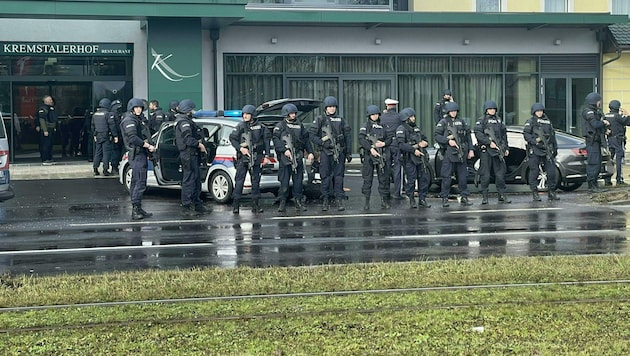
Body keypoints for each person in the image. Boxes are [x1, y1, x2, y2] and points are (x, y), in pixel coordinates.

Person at [309, 96, 352, 211]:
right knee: (325, 177)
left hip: (339, 152)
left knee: (339, 177)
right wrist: (323, 144)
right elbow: (312, 136)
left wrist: (348, 152)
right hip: (326, 152)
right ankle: (325, 200)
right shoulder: (320, 119)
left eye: (333, 107)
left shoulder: (341, 120)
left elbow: (347, 136)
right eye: (329, 107)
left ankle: (339, 200)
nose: (332, 109)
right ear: (326, 108)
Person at [229, 104, 271, 214]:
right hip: (243, 157)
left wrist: (267, 156)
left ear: (253, 115)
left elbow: (266, 141)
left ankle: (256, 205)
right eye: (244, 114)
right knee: (239, 181)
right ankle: (236, 205)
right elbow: (232, 139)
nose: (245, 116)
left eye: (247, 114)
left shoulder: (262, 127)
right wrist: (240, 148)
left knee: (256, 181)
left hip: (256, 157)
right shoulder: (240, 126)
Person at [272, 103, 314, 213]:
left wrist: (310, 152)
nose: (293, 115)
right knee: (284, 182)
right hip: (285, 158)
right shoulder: (280, 126)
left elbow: (306, 140)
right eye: (291, 113)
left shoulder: (300, 125)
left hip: (297, 155)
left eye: (294, 113)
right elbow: (276, 140)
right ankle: (282, 202)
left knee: (298, 182)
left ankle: (298, 202)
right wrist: (284, 150)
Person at [434, 102, 474, 207]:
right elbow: (437, 136)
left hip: (461, 152)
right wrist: (448, 141)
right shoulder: (443, 122)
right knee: (446, 176)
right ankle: (445, 197)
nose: (453, 113)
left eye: (455, 111)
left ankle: (464, 196)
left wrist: (471, 149)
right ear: (448, 112)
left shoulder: (461, 122)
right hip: (449, 153)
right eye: (451, 111)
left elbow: (468, 136)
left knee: (463, 176)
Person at [120, 98, 155, 220]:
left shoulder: (138, 119)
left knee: (139, 181)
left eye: (140, 107)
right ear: (132, 108)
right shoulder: (129, 120)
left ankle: (138, 207)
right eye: (136, 107)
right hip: (137, 154)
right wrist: (148, 146)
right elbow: (133, 138)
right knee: (139, 182)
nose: (139, 109)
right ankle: (135, 209)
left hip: (140, 154)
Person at [175, 99, 208, 217]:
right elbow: (187, 139)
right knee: (189, 180)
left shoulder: (186, 121)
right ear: (187, 110)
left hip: (192, 154)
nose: (193, 111)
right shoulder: (184, 123)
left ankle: (197, 203)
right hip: (188, 154)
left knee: (196, 179)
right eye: (192, 109)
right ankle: (186, 205)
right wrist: (199, 144)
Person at [473, 100, 511, 204]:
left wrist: (506, 148)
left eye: (493, 109)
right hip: (486, 151)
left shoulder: (499, 120)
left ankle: (502, 195)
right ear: (486, 110)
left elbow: (504, 135)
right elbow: (478, 134)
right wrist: (489, 142)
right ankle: (485, 197)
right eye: (490, 109)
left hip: (498, 151)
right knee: (485, 175)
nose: (492, 110)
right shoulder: (481, 121)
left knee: (500, 174)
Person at [523, 103, 560, 201]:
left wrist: (555, 148)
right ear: (534, 112)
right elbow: (526, 134)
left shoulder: (547, 121)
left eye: (541, 111)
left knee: (551, 172)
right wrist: (534, 141)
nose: (539, 113)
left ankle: (551, 192)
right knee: (534, 172)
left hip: (547, 149)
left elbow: (552, 135)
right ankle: (535, 193)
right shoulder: (530, 122)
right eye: (537, 111)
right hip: (535, 149)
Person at [396, 107, 431, 209]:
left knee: (423, 179)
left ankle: (422, 199)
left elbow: (424, 139)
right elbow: (401, 145)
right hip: (409, 158)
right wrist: (413, 150)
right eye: (411, 116)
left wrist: (425, 143)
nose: (413, 118)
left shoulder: (416, 128)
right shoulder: (401, 129)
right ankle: (411, 199)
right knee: (411, 179)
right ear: (406, 118)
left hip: (420, 157)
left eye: (413, 116)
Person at [358, 104, 391, 210]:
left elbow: (390, 137)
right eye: (372, 114)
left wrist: (384, 144)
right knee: (367, 179)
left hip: (381, 154)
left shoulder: (384, 125)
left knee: (383, 179)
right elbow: (361, 139)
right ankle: (366, 202)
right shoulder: (366, 126)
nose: (375, 116)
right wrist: (370, 148)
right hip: (369, 155)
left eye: (376, 114)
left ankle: (383, 201)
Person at [581, 92, 609, 193]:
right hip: (592, 141)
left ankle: (595, 184)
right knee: (593, 163)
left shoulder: (596, 111)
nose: (599, 103)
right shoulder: (588, 112)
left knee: (597, 164)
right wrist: (603, 122)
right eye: (598, 101)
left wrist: (605, 130)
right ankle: (591, 185)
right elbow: (595, 124)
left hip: (597, 140)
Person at [380, 98, 404, 199]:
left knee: (386, 169)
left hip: (386, 145)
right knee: (398, 168)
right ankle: (397, 193)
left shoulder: (382, 117)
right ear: (395, 106)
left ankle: (386, 192)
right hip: (396, 144)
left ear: (387, 106)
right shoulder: (399, 117)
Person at [605, 100, 630, 185]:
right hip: (618, 140)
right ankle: (619, 179)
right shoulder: (618, 116)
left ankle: (607, 179)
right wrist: (627, 114)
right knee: (619, 160)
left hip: (609, 139)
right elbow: (627, 122)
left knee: (610, 160)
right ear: (618, 107)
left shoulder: (606, 116)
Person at [91, 98, 118, 176]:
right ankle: (105, 170)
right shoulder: (108, 114)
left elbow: (92, 126)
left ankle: (95, 169)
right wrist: (115, 136)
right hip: (106, 136)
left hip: (98, 135)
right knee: (106, 153)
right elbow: (112, 126)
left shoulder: (95, 114)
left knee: (98, 152)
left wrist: (94, 135)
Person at [36, 95, 58, 165]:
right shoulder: (43, 109)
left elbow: (53, 119)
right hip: (46, 129)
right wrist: (45, 130)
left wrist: (54, 127)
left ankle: (50, 158)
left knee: (50, 144)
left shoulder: (51, 108)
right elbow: (42, 120)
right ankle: (45, 159)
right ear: (46, 101)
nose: (51, 101)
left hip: (51, 129)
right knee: (46, 144)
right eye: (50, 100)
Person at [109, 99, 124, 174]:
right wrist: (115, 135)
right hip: (117, 136)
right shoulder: (115, 114)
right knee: (116, 152)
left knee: (117, 151)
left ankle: (115, 167)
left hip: (119, 136)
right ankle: (114, 167)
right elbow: (112, 126)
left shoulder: (116, 114)